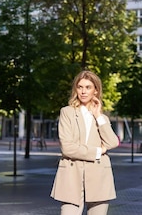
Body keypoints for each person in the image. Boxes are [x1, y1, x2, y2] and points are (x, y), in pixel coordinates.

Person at [50, 70, 120, 215]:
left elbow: (112, 142)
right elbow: (68, 148)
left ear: (96, 90)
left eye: (88, 87)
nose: (83, 91)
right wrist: (98, 151)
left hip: (99, 175)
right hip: (71, 174)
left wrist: (98, 115)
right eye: (80, 87)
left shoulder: (102, 118)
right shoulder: (67, 112)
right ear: (75, 89)